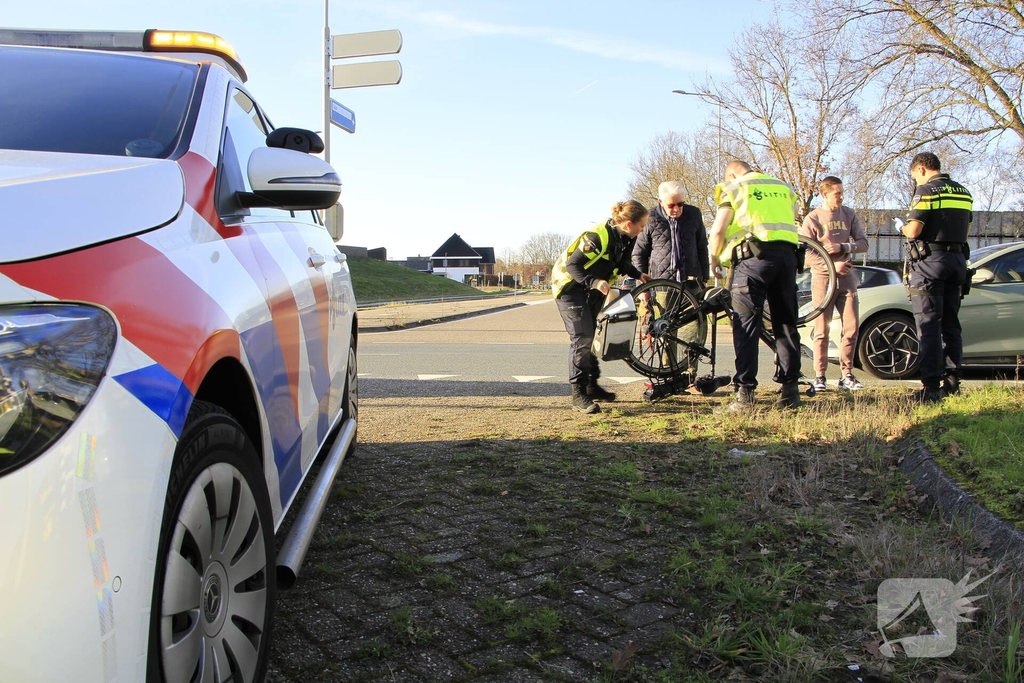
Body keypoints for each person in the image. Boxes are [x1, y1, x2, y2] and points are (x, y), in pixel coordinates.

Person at [707, 161, 803, 412]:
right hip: (788, 259)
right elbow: (792, 217)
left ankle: (745, 395)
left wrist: (714, 258)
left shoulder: (735, 188)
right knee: (785, 324)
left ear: (731, 174)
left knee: (746, 326)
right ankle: (790, 392)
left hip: (753, 262)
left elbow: (718, 230)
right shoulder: (784, 187)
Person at [551, 200, 651, 413]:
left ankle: (591, 385)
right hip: (570, 287)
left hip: (594, 288)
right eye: (641, 225)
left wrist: (638, 274)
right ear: (628, 224)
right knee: (583, 337)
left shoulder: (626, 238)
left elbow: (621, 263)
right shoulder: (597, 237)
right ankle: (578, 395)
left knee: (595, 332)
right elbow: (573, 265)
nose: (643, 230)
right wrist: (594, 282)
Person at [900, 152, 973, 403]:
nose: (916, 182)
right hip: (957, 262)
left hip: (931, 263)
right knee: (951, 324)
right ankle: (953, 382)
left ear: (921, 169)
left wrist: (902, 227)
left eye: (915, 177)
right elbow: (966, 229)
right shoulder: (964, 193)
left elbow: (914, 229)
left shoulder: (926, 192)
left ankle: (931, 387)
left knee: (928, 325)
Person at [632, 181, 710, 378]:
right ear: (660, 202)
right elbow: (638, 254)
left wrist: (705, 278)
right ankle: (671, 375)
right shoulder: (650, 219)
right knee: (667, 332)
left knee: (695, 330)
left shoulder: (694, 214)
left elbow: (702, 246)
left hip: (691, 283)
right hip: (663, 285)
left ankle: (691, 376)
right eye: (671, 205)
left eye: (680, 204)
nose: (676, 209)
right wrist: (643, 288)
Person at [799, 176, 869, 392]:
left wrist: (843, 247)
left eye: (842, 192)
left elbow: (863, 244)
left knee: (851, 328)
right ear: (825, 194)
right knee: (821, 330)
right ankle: (819, 376)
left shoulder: (848, 214)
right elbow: (807, 253)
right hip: (823, 281)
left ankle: (846, 375)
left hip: (847, 280)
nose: (841, 197)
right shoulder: (813, 218)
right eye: (837, 193)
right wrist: (831, 267)